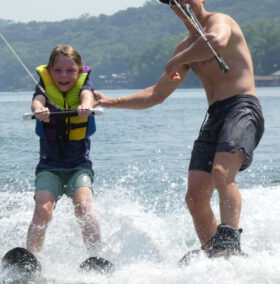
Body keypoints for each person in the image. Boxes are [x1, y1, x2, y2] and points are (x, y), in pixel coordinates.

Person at [94, 0, 264, 254]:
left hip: (242, 108)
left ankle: (229, 239)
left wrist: (176, 61)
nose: (182, 3)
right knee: (194, 197)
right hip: (215, 115)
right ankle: (212, 253)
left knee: (221, 171)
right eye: (175, 1)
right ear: (172, 8)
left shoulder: (220, 21)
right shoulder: (185, 49)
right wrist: (111, 102)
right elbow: (156, 94)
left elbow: (214, 43)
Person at [27, 45, 101, 257]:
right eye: (58, 70)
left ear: (78, 71)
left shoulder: (85, 85)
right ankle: (30, 260)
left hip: (79, 167)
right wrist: (39, 110)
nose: (64, 75)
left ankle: (95, 258)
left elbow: (88, 96)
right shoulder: (43, 87)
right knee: (42, 210)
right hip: (49, 167)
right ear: (50, 71)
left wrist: (86, 107)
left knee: (84, 209)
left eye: (70, 70)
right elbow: (37, 101)